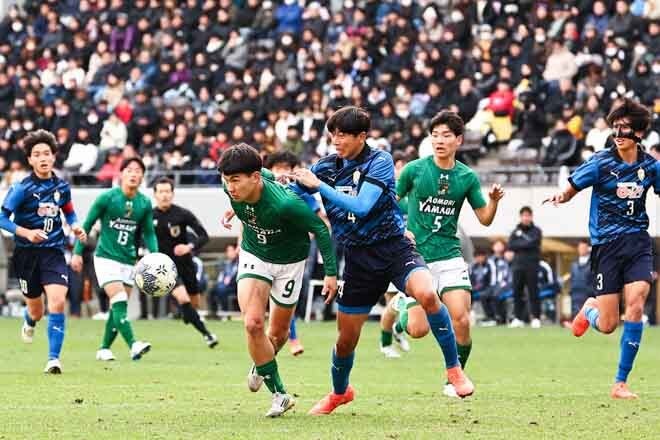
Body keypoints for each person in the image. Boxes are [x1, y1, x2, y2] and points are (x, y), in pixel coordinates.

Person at [290, 106, 474, 416]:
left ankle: (454, 370)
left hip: (395, 248)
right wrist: (251, 199)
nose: (336, 140)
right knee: (345, 340)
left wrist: (318, 186)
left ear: (362, 136)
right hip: (358, 259)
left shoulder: (380, 161)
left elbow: (362, 206)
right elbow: (290, 192)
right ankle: (339, 393)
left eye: (343, 135)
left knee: (427, 293)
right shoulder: (326, 167)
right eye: (333, 134)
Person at [545, 98, 660, 399]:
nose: (618, 134)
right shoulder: (601, 162)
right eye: (615, 128)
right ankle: (590, 309)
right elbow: (572, 187)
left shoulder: (650, 166)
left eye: (625, 128)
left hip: (638, 241)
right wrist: (560, 196)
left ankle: (620, 382)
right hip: (606, 247)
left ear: (639, 133)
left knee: (637, 302)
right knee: (608, 324)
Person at [218, 143, 338, 417]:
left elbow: (321, 230)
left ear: (254, 177)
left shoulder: (285, 204)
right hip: (255, 254)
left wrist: (331, 273)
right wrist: (234, 209)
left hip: (290, 262)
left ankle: (262, 363)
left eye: (235, 180)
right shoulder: (232, 188)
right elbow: (263, 177)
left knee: (279, 334)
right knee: (252, 323)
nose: (230, 187)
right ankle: (280, 394)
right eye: (226, 180)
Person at [394, 110, 504, 398]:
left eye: (445, 135)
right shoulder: (414, 170)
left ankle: (453, 379)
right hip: (417, 258)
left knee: (462, 320)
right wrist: (400, 229)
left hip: (450, 255)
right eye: (435, 135)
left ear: (459, 140)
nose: (439, 140)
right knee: (417, 330)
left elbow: (485, 219)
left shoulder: (466, 177)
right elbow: (388, 202)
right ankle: (401, 310)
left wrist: (493, 202)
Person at [0, 129, 86, 373]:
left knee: (57, 303)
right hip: (26, 255)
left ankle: (53, 359)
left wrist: (76, 226)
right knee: (37, 311)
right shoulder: (21, 188)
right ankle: (30, 320)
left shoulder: (62, 187)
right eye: (37, 154)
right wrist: (26, 233)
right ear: (30, 159)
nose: (43, 158)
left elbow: (69, 212)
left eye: (46, 153)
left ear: (53, 156)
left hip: (53, 252)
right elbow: (2, 218)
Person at [71, 157, 156, 362]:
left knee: (118, 307)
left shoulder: (144, 203)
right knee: (119, 300)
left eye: (138, 170)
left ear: (142, 176)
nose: (133, 174)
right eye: (129, 170)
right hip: (106, 258)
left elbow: (149, 233)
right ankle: (133, 344)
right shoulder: (107, 198)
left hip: (128, 260)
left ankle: (104, 348)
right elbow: (87, 225)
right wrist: (77, 252)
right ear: (121, 174)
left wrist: (155, 257)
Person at [264, 150, 326, 357]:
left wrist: (308, 233)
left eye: (286, 168)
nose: (281, 172)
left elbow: (319, 219)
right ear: (270, 170)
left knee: (287, 294)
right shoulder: (261, 191)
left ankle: (289, 335)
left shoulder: (300, 193)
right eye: (277, 168)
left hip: (294, 253)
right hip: (264, 251)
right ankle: (286, 337)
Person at [152, 177, 217, 348]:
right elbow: (137, 238)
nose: (165, 195)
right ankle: (208, 335)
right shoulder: (149, 216)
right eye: (161, 192)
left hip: (186, 265)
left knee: (192, 304)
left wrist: (189, 247)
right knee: (182, 298)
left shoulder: (182, 214)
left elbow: (204, 236)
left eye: (168, 191)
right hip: (164, 268)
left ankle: (186, 313)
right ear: (155, 195)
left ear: (173, 194)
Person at [507, 206, 543, 328]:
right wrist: (524, 244)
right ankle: (518, 318)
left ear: (531, 217)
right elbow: (511, 245)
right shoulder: (515, 231)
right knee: (517, 292)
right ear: (520, 217)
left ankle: (536, 317)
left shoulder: (536, 231)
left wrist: (520, 244)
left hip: (532, 266)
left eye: (528, 215)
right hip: (518, 266)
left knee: (533, 292)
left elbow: (534, 242)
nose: (526, 218)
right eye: (524, 216)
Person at [568, 240, 594, 319]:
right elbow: (572, 278)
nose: (581, 249)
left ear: (588, 248)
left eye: (583, 247)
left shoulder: (593, 263)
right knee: (576, 318)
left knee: (587, 317)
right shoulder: (574, 264)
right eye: (580, 247)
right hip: (575, 296)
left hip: (588, 296)